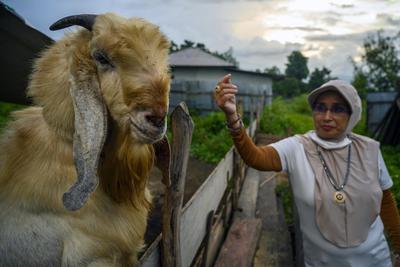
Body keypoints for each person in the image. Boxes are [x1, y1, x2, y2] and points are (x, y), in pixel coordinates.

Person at [214, 74, 400, 267]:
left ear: (352, 115)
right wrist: (233, 117)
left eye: (338, 109)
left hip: (377, 261)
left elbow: (385, 202)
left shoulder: (368, 150)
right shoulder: (298, 147)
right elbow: (255, 157)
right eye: (321, 108)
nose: (327, 116)